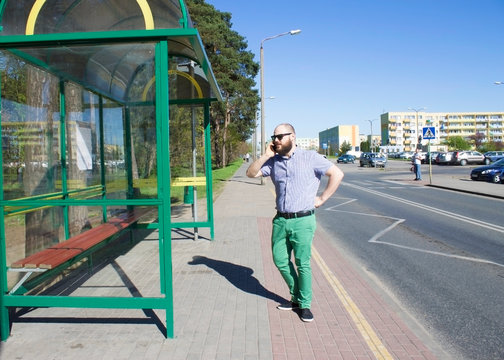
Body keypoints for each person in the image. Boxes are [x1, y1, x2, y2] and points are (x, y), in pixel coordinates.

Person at [246, 123, 344, 322]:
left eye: (280, 136)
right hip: (280, 220)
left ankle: (304, 304)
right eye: (274, 137)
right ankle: (297, 296)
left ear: (293, 137)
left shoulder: (311, 157)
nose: (276, 140)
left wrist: (322, 199)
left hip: (303, 221)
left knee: (302, 263)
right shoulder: (273, 162)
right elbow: (250, 173)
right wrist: (265, 156)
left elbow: (337, 174)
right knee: (280, 260)